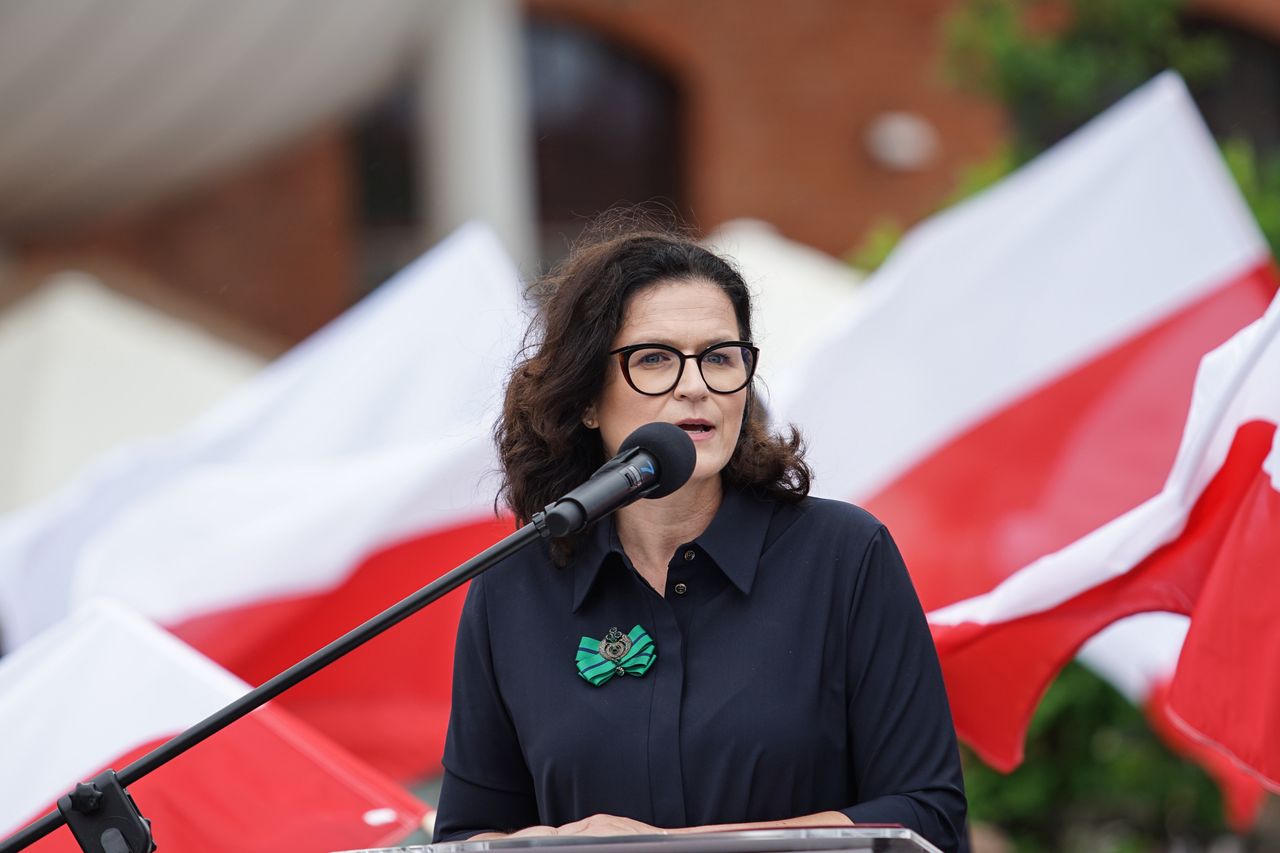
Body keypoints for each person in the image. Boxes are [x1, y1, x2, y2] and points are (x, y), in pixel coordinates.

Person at [432, 224, 968, 852]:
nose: (696, 385)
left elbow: (927, 815)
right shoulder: (512, 586)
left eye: (719, 356)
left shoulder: (844, 555)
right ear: (585, 400)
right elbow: (466, 837)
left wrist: (665, 850)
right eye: (654, 358)